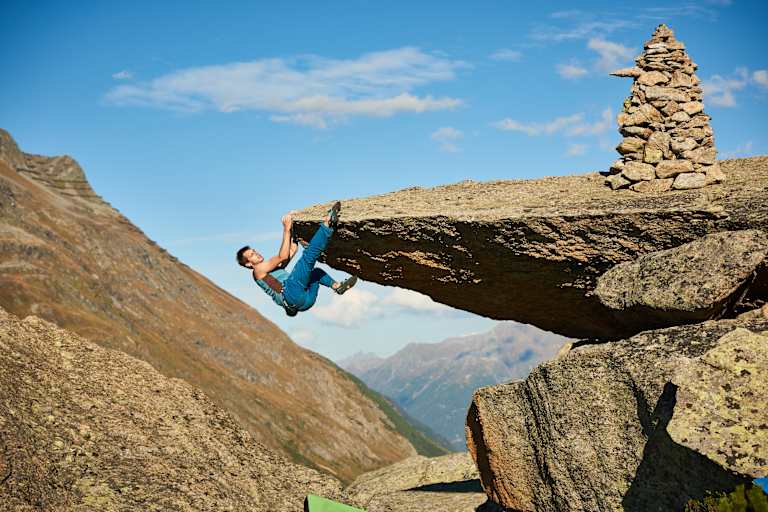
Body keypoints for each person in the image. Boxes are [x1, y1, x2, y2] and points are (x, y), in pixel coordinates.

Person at [236, 201, 357, 316]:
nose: (256, 253)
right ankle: (328, 223)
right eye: (252, 255)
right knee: (308, 257)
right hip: (291, 293)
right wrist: (286, 229)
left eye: (254, 251)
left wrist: (293, 229)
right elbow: (282, 256)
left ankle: (337, 287)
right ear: (248, 264)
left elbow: (293, 249)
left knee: (315, 273)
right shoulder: (258, 271)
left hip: (304, 303)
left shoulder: (272, 270)